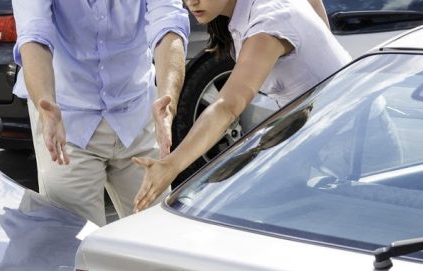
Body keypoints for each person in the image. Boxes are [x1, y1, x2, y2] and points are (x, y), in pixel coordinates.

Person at [132, 0, 350, 210]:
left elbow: (228, 105)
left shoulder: (270, 21)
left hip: (348, 145)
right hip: (318, 133)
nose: (191, 2)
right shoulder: (249, 14)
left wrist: (171, 165)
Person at [12, 0, 189, 226]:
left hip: (136, 114)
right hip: (66, 123)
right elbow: (34, 35)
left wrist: (168, 103)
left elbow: (169, 24)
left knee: (158, 234)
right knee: (76, 249)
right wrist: (46, 104)